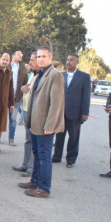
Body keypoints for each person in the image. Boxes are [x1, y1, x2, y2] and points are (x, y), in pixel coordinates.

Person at [18, 47, 65, 198]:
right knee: (37, 154)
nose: (40, 59)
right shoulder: (40, 74)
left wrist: (50, 125)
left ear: (50, 58)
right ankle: (35, 181)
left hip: (46, 125)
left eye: (44, 56)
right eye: (38, 57)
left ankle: (44, 188)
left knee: (44, 156)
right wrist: (31, 123)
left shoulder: (55, 75)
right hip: (35, 123)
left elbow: (56, 104)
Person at [52, 53, 91, 168]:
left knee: (73, 137)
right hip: (60, 112)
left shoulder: (84, 77)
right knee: (59, 136)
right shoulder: (60, 75)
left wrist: (85, 112)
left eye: (71, 60)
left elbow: (86, 96)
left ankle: (71, 159)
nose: (68, 62)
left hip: (75, 112)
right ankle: (57, 156)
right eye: (67, 59)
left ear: (77, 62)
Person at [13, 52, 39, 177]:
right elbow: (27, 89)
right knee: (28, 140)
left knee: (34, 142)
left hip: (35, 113)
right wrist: (23, 88)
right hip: (26, 110)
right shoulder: (33, 74)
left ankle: (31, 169)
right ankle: (25, 165)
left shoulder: (43, 76)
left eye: (32, 60)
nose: (29, 62)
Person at [8, 50, 28, 146]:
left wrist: (23, 95)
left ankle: (11, 138)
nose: (21, 56)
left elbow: (26, 83)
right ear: (13, 56)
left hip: (17, 98)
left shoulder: (23, 68)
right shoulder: (7, 65)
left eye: (21, 54)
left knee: (13, 118)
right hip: (5, 97)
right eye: (18, 54)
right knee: (0, 118)